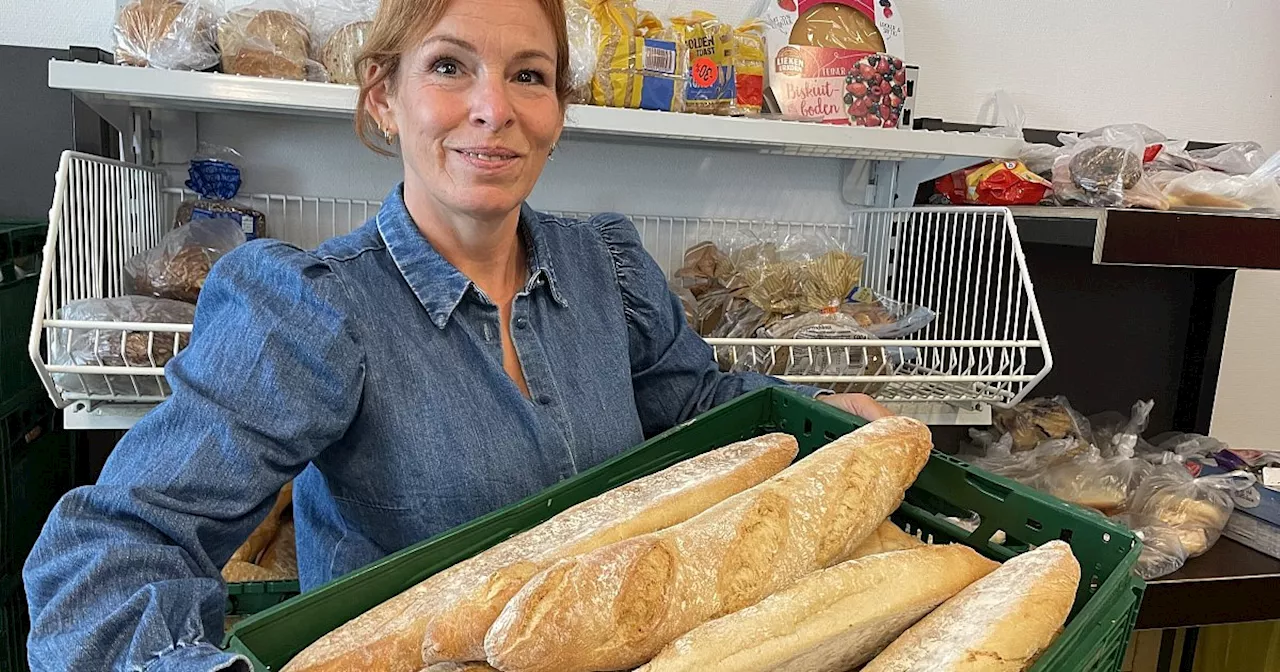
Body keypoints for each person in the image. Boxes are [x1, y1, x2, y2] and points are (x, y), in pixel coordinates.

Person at [23, 0, 891, 669]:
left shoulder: (605, 272)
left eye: (528, 75)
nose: (493, 108)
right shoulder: (314, 309)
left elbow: (700, 409)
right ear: (384, 98)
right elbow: (106, 556)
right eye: (449, 66)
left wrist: (817, 411)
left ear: (557, 109)